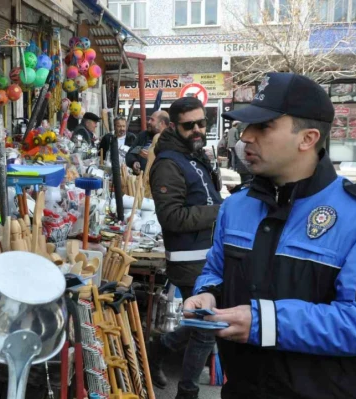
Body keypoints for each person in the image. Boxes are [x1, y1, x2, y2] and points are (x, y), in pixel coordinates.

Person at [185, 72, 356, 399]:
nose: (246, 137)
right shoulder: (236, 207)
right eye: (246, 126)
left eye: (264, 126)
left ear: (308, 138)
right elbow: (215, 272)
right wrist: (207, 295)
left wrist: (265, 322)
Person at [147, 98, 222, 399]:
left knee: (200, 326)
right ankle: (187, 393)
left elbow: (204, 198)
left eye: (201, 123)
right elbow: (172, 217)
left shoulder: (194, 155)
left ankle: (157, 348)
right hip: (189, 263)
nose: (197, 130)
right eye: (189, 125)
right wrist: (221, 211)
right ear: (173, 126)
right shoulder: (168, 163)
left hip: (209, 258)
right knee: (206, 330)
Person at [127, 110, 170, 175]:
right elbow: (131, 153)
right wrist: (134, 162)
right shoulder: (143, 136)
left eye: (152, 120)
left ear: (161, 123)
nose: (148, 122)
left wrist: (151, 157)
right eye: (149, 119)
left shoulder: (170, 140)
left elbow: (170, 163)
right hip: (140, 180)